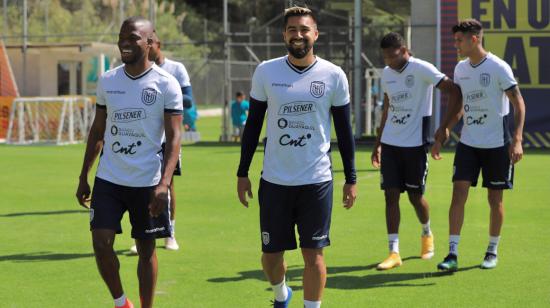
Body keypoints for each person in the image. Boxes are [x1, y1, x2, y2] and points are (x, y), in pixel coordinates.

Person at [236, 6, 357, 308]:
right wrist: (242, 172)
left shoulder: (333, 75)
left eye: (304, 29)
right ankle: (281, 294)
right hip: (274, 180)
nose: (298, 35)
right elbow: (252, 126)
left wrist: (351, 178)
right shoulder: (267, 71)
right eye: (292, 30)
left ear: (315, 33)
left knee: (314, 254)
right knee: (271, 256)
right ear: (284, 35)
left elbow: (344, 131)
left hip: (316, 180)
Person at [75, 16, 183, 308]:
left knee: (147, 251)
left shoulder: (166, 84)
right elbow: (98, 130)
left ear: (150, 43)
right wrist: (84, 175)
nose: (124, 42)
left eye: (133, 37)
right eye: (122, 36)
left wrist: (164, 183)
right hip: (109, 178)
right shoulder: (109, 80)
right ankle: (121, 302)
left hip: (147, 181)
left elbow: (174, 138)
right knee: (100, 243)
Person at [432, 19, 525, 271]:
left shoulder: (498, 67)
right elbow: (460, 105)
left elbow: (519, 103)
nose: (456, 45)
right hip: (468, 144)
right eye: (454, 40)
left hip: (497, 145)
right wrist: (447, 127)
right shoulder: (461, 69)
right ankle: (452, 253)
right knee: (458, 194)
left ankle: (492, 251)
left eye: (459, 40)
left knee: (495, 200)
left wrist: (516, 140)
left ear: (474, 39)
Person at [371, 32, 462, 270]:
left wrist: (443, 128)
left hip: (415, 146)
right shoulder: (388, 74)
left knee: (415, 197)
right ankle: (393, 252)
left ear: (404, 50)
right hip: (391, 144)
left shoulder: (422, 69)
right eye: (385, 57)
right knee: (390, 195)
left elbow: (455, 91)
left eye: (393, 55)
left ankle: (427, 233)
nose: (388, 61)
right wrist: (378, 142)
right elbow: (388, 107)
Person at [129, 31, 194, 253]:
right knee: (139, 184)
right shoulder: (136, 70)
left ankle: (170, 233)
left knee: (168, 185)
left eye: (151, 43)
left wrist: (165, 94)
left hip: (168, 138)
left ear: (158, 44)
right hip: (143, 138)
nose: (147, 47)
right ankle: (143, 233)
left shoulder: (176, 69)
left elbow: (189, 100)